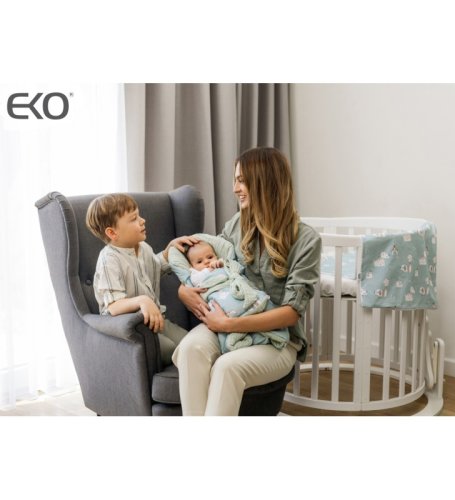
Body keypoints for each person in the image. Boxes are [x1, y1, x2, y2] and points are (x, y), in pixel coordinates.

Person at [172, 146, 322, 416]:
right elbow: (208, 267)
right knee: (190, 349)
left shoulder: (306, 239)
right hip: (225, 327)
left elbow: (291, 313)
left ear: (263, 181)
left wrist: (228, 324)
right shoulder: (235, 225)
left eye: (241, 181)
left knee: (227, 367)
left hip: (277, 339)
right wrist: (184, 291)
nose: (235, 189)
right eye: (235, 180)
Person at [85, 193, 198, 365]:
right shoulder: (109, 260)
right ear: (112, 233)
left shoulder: (144, 247)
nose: (142, 220)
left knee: (195, 344)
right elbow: (113, 307)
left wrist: (170, 251)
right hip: (133, 330)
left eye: (139, 215)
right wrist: (142, 300)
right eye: (134, 219)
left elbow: (155, 270)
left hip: (156, 320)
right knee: (174, 350)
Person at [168, 236, 289, 353]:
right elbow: (190, 282)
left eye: (210, 257)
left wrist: (222, 263)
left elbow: (234, 268)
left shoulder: (221, 264)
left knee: (255, 300)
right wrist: (183, 289)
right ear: (191, 266)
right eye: (199, 261)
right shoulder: (195, 275)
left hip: (234, 289)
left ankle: (262, 324)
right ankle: (247, 337)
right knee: (190, 346)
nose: (207, 262)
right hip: (218, 299)